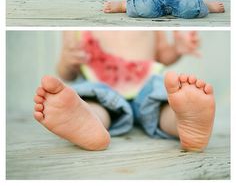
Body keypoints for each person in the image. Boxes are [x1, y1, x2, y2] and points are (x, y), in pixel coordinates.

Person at [33, 31, 215, 152]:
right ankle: (83, 122)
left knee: (165, 101)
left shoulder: (147, 13)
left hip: (146, 87)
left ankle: (184, 123)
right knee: (91, 104)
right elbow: (66, 73)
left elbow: (163, 56)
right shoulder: (74, 29)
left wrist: (176, 49)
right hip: (98, 87)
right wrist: (67, 61)